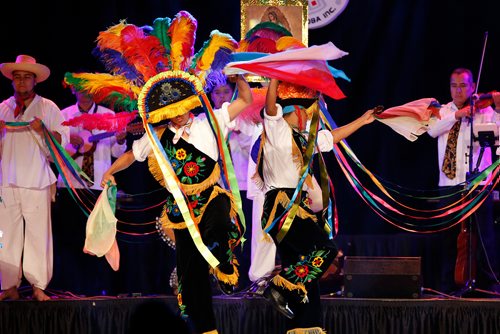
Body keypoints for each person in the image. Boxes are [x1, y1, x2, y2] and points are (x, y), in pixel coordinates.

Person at [100, 73, 252, 333]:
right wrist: (109, 171)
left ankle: (223, 265)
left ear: (190, 103)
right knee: (190, 273)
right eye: (172, 110)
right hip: (181, 208)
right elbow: (130, 155)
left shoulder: (210, 121)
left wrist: (239, 78)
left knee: (218, 228)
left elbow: (246, 99)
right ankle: (205, 328)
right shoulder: (156, 136)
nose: (178, 114)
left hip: (211, 196)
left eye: (182, 107)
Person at [257, 78, 375, 333]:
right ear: (293, 112)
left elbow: (331, 137)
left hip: (298, 208)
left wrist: (363, 121)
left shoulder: (304, 139)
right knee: (326, 249)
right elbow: (270, 107)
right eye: (305, 113)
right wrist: (275, 77)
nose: (307, 119)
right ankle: (279, 287)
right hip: (283, 208)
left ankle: (304, 326)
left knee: (304, 275)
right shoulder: (277, 132)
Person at [0, 55, 69, 301]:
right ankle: (8, 285)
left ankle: (38, 285)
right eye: (17, 77)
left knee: (38, 235)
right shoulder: (3, 107)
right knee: (4, 236)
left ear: (35, 81)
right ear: (12, 81)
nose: (21, 82)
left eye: (26, 77)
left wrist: (45, 131)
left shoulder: (47, 107)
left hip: (37, 179)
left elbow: (64, 142)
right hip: (6, 181)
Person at [427, 68, 499, 294]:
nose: (458, 90)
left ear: (473, 87)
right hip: (448, 186)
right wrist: (459, 115)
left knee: (484, 236)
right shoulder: (441, 110)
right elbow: (432, 130)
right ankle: (447, 287)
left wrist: (495, 105)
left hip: (478, 184)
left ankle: (489, 285)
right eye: (454, 85)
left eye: (463, 85)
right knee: (448, 238)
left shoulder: (484, 110)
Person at [51, 86, 127, 295]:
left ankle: (97, 288)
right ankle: (71, 287)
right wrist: (70, 142)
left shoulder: (108, 116)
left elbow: (116, 151)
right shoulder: (64, 115)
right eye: (80, 89)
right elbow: (53, 151)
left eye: (89, 89)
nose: (85, 93)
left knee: (98, 237)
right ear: (73, 91)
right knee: (70, 237)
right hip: (69, 186)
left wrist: (120, 140)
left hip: (97, 187)